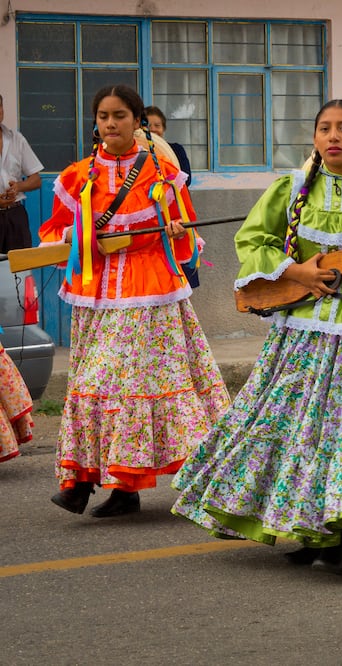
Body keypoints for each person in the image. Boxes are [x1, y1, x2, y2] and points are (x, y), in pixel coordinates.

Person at [172, 99, 342, 574]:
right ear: (315, 138)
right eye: (325, 128)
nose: (333, 136)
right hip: (302, 328)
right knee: (297, 425)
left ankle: (336, 534)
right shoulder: (291, 189)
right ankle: (306, 526)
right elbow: (254, 242)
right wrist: (298, 271)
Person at [41, 84, 228, 518]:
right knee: (94, 386)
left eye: (120, 115)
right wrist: (78, 235)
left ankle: (128, 484)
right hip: (96, 297)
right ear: (95, 121)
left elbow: (188, 239)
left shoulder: (162, 172)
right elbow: (52, 234)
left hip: (149, 294)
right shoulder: (77, 176)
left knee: (126, 387)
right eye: (104, 116)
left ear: (138, 121)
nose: (111, 124)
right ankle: (92, 482)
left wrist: (178, 232)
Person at [144, 105, 200, 289]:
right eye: (148, 125)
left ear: (164, 128)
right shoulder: (136, 153)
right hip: (149, 217)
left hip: (175, 213)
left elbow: (186, 178)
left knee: (180, 264)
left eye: (157, 125)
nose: (153, 129)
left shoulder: (175, 150)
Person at [0, 94, 44, 253]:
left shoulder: (16, 139)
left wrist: (18, 186)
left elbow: (36, 180)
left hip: (15, 216)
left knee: (21, 265)